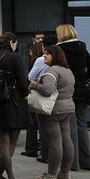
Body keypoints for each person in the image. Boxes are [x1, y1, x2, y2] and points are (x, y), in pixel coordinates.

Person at [0, 32, 30, 179]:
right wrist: (25, 95)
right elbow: (23, 81)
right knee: (10, 141)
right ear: (11, 42)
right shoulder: (14, 57)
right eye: (15, 43)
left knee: (3, 140)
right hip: (14, 102)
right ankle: (11, 178)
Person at [30, 45, 75, 179]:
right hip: (67, 108)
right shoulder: (67, 70)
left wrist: (35, 85)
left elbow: (48, 90)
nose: (44, 56)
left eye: (47, 54)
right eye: (44, 54)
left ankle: (51, 175)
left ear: (55, 56)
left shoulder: (52, 71)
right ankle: (65, 173)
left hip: (53, 111)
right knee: (67, 140)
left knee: (55, 143)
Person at [56, 24, 90, 171]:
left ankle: (73, 163)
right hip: (81, 90)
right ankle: (87, 161)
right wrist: (82, 78)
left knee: (69, 127)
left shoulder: (59, 49)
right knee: (82, 125)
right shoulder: (82, 47)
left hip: (67, 90)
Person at [27, 34, 58, 164]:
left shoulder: (41, 60)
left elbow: (30, 77)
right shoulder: (61, 58)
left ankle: (46, 155)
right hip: (60, 97)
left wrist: (35, 84)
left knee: (43, 125)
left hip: (44, 94)